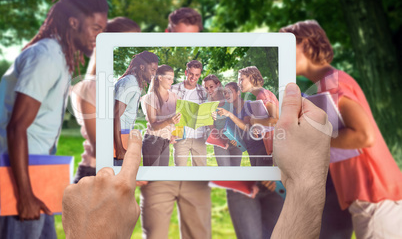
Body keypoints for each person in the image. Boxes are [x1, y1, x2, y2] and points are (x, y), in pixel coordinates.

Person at [62, 83, 333, 239]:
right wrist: (307, 182)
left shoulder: (235, 103)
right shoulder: (164, 94)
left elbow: (245, 129)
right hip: (172, 152)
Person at [0, 0, 108, 238]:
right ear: (73, 22)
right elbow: (17, 127)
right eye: (96, 28)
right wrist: (25, 196)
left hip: (38, 173)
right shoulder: (47, 55)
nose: (99, 36)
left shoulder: (60, 56)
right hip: (20, 178)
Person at [280, 20, 402, 238]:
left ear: (307, 44)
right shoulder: (324, 85)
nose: (282, 54)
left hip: (375, 194)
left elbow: (364, 136)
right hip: (365, 194)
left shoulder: (335, 84)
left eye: (286, 45)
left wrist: (312, 138)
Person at [139, 8, 212, 239]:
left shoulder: (202, 91)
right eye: (189, 74)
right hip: (173, 142)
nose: (193, 77)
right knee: (155, 229)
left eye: (196, 75)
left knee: (198, 228)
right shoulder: (173, 90)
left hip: (196, 138)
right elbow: (157, 120)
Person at [70, 17, 141, 183]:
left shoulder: (110, 85)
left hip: (110, 170)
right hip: (95, 174)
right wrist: (129, 171)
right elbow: (99, 147)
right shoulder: (92, 87)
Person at [217, 82, 284, 238]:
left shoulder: (248, 105)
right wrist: (232, 139)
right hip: (251, 149)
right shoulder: (231, 109)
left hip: (261, 147)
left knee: (268, 185)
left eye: (229, 92)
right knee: (259, 184)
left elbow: (249, 127)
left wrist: (230, 117)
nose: (226, 95)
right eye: (225, 93)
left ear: (237, 92)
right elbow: (237, 131)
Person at [113, 51, 159, 166]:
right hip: (117, 143)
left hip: (124, 137)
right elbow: (115, 116)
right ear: (142, 67)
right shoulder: (130, 83)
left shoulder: (135, 83)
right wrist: (119, 149)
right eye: (152, 70)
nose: (154, 74)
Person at [141, 65, 181, 166]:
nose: (172, 82)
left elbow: (179, 117)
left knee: (162, 176)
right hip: (152, 141)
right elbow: (154, 125)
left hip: (166, 141)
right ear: (160, 78)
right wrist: (169, 121)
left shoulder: (174, 97)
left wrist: (174, 134)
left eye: (172, 79)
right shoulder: (151, 97)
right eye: (169, 78)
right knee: (152, 177)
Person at [204, 77, 242, 166]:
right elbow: (212, 128)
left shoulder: (229, 98)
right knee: (225, 172)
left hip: (235, 139)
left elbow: (238, 118)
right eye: (206, 88)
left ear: (218, 85)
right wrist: (222, 139)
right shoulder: (207, 104)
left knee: (236, 172)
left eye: (211, 86)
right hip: (220, 141)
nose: (209, 90)